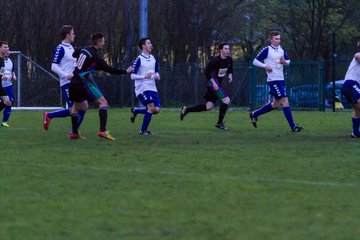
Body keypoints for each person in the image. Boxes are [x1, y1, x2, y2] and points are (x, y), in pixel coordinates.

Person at [68, 32, 133, 140]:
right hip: (83, 82)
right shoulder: (95, 56)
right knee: (103, 103)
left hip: (74, 81)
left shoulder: (83, 49)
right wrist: (126, 71)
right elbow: (109, 70)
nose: (104, 43)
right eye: (103, 41)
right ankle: (102, 131)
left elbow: (75, 54)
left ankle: (74, 133)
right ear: (98, 42)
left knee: (77, 107)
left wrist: (87, 66)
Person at [250, 31, 303, 132]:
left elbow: (288, 61)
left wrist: (285, 62)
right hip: (273, 80)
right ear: (271, 40)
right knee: (285, 100)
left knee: (275, 105)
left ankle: (254, 114)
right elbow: (255, 61)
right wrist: (265, 66)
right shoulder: (266, 50)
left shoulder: (281, 50)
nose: (279, 40)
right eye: (276, 39)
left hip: (281, 80)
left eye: (279, 39)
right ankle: (293, 127)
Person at [179, 42, 233, 130]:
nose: (228, 50)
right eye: (226, 49)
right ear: (221, 50)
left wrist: (230, 76)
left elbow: (230, 69)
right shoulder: (215, 61)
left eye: (228, 49)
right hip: (213, 85)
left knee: (209, 107)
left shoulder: (229, 60)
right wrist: (214, 83)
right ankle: (219, 123)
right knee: (226, 100)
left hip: (217, 85)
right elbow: (207, 72)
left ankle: (186, 110)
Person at [43, 25, 85, 132]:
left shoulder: (71, 47)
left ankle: (50, 116)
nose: (74, 35)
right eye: (73, 33)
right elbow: (53, 66)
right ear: (67, 35)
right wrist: (66, 75)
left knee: (81, 108)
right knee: (74, 109)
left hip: (75, 82)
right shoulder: (60, 48)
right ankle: (73, 132)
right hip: (67, 83)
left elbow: (72, 63)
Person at [130, 38, 161, 135]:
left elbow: (156, 72)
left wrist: (157, 75)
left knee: (156, 110)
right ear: (143, 46)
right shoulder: (139, 59)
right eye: (148, 43)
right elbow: (132, 76)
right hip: (142, 88)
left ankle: (136, 110)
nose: (151, 45)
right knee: (151, 108)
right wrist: (144, 76)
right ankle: (143, 131)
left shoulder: (153, 58)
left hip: (152, 87)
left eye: (151, 43)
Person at [341, 52, 360, 138]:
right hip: (351, 83)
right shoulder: (358, 54)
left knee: (356, 109)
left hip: (348, 86)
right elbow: (357, 56)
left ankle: (355, 133)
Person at [1, 49, 16, 127]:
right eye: (6, 50)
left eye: (8, 50)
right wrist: (2, 77)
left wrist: (14, 76)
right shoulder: (0, 61)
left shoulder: (11, 61)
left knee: (9, 102)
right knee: (3, 103)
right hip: (1, 86)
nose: (8, 52)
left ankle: (4, 122)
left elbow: (13, 71)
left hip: (9, 86)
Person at [0, 41, 12, 118]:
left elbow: (1, 72)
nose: (7, 49)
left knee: (8, 102)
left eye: (7, 47)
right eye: (4, 47)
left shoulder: (2, 60)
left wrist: (2, 76)